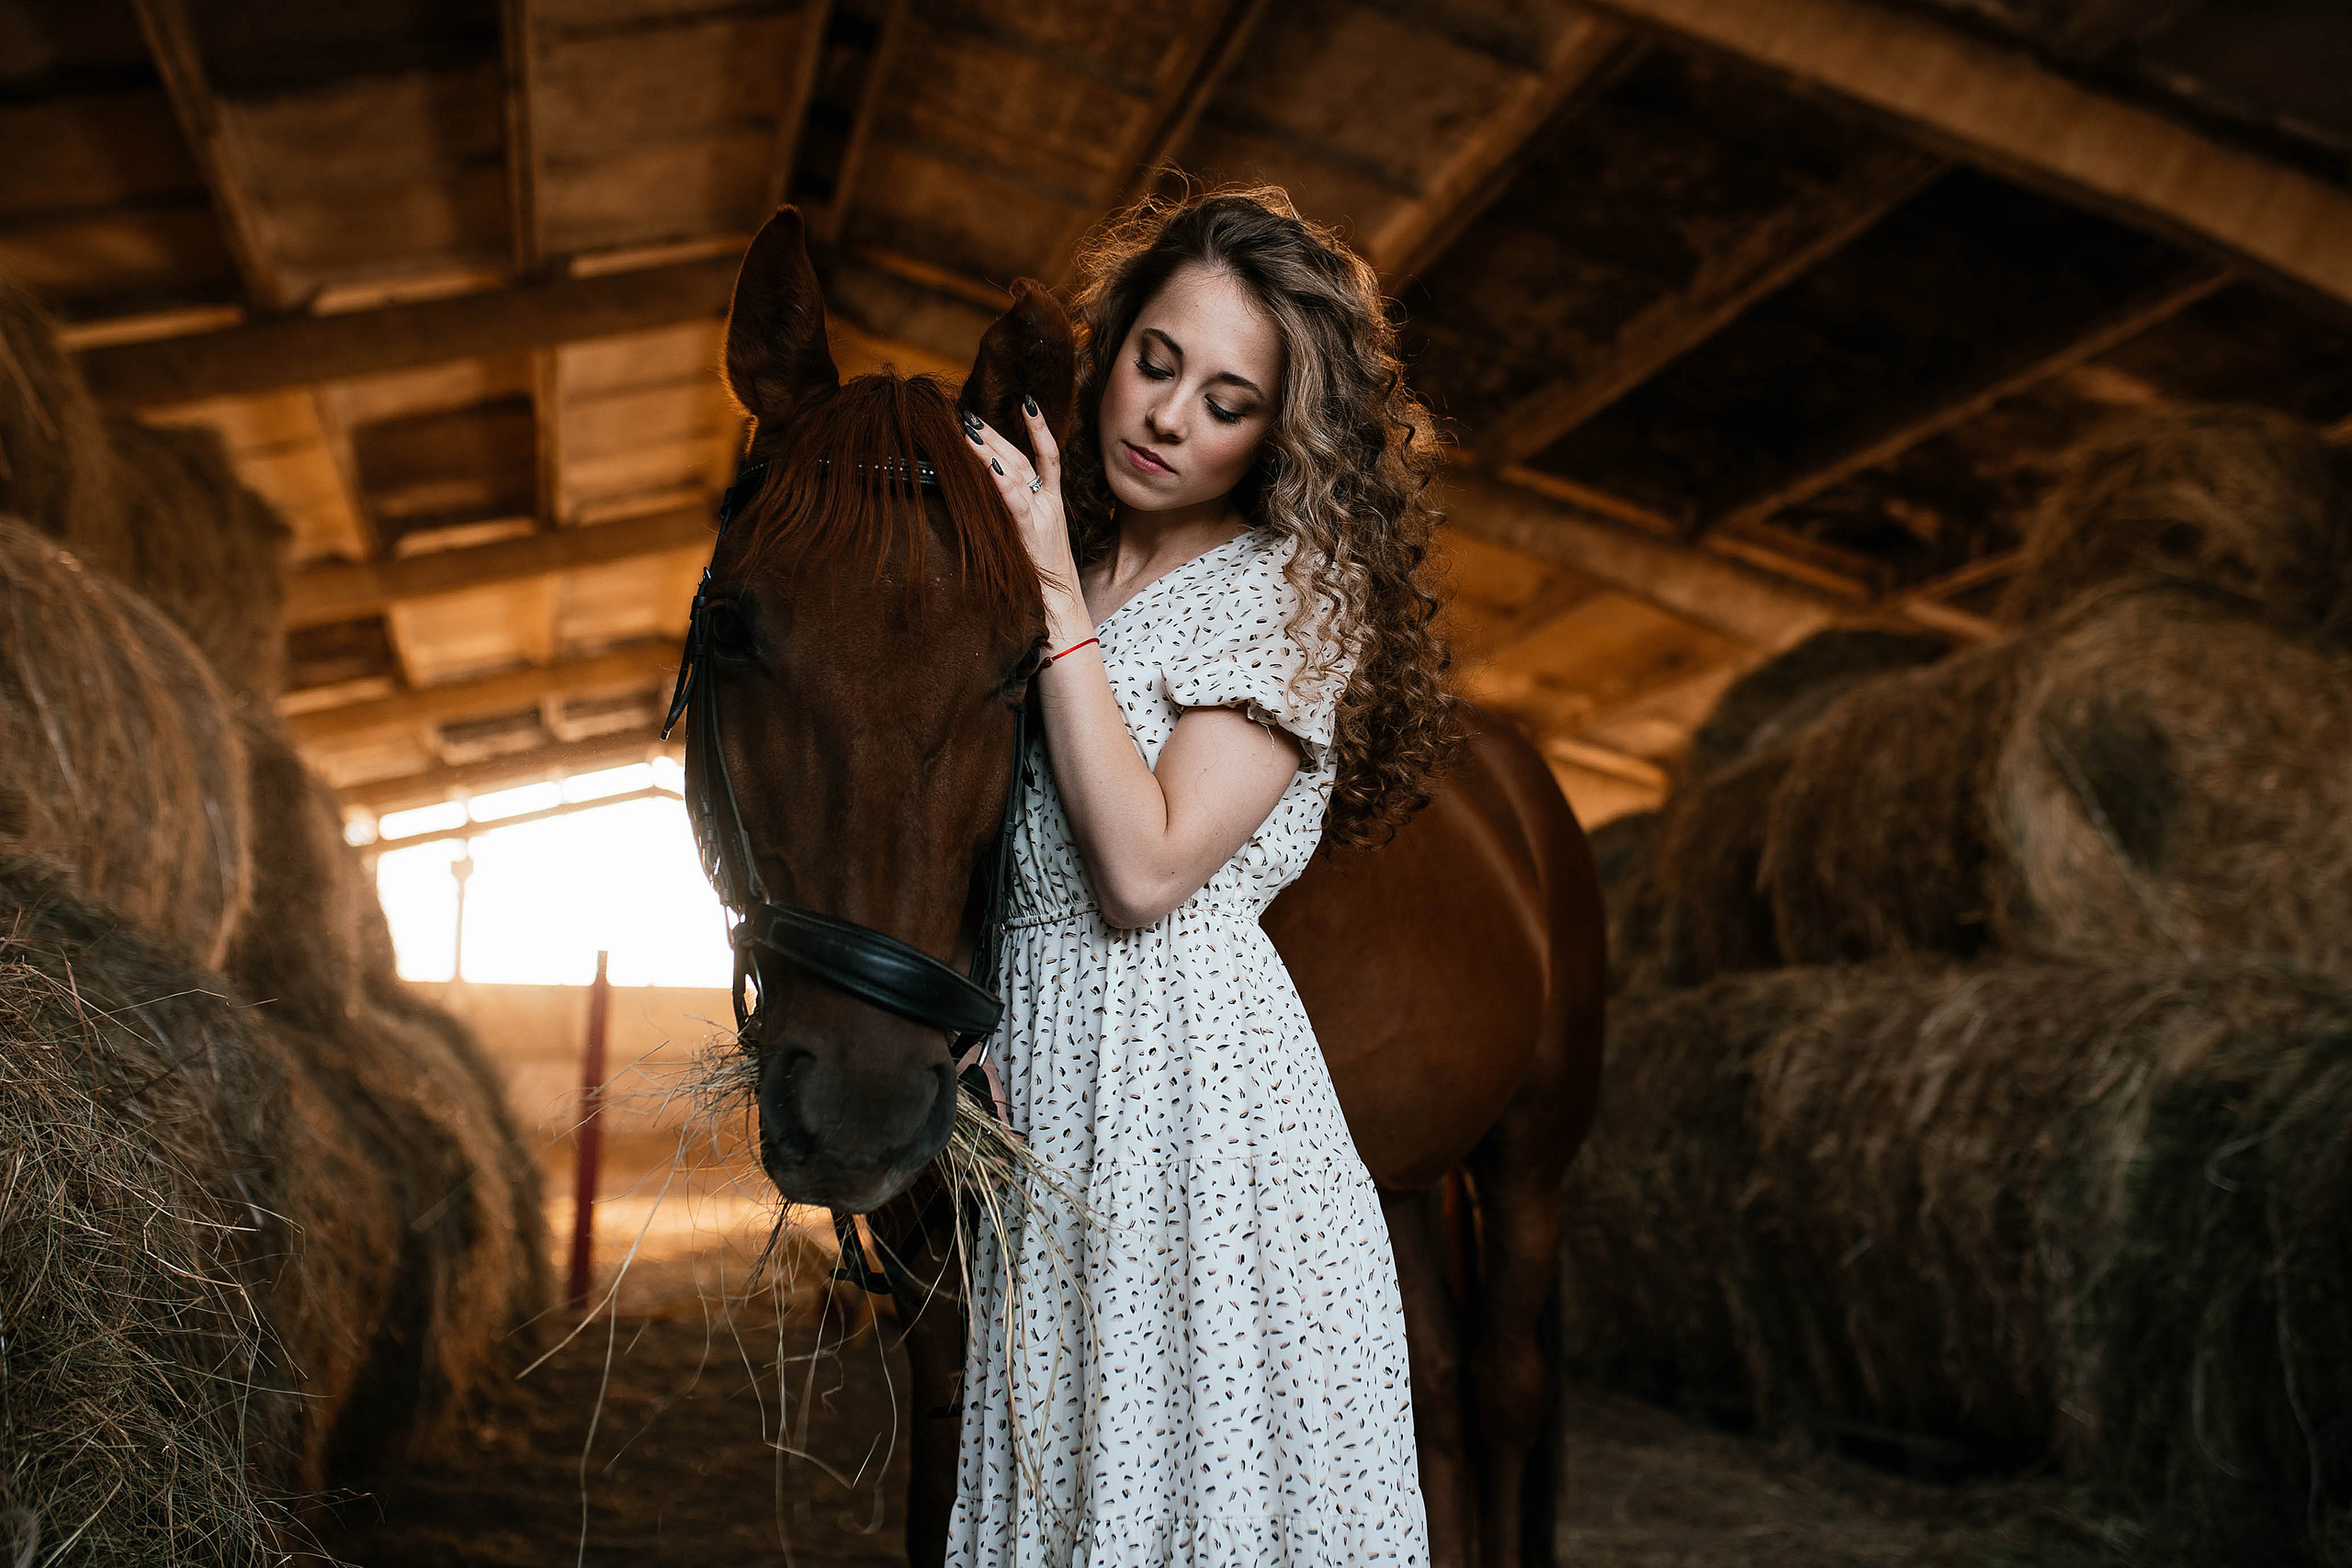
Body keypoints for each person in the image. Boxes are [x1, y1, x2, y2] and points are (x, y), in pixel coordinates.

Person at [951, 186, 1453, 1566]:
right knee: (1060, 1503)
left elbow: (1144, 867)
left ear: (1277, 435)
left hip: (1200, 1135)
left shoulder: (1294, 591)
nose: (1166, 418)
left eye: (1226, 400)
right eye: (1155, 362)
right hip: (1044, 1111)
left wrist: (1053, 594)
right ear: (1110, 348)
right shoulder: (1071, 555)